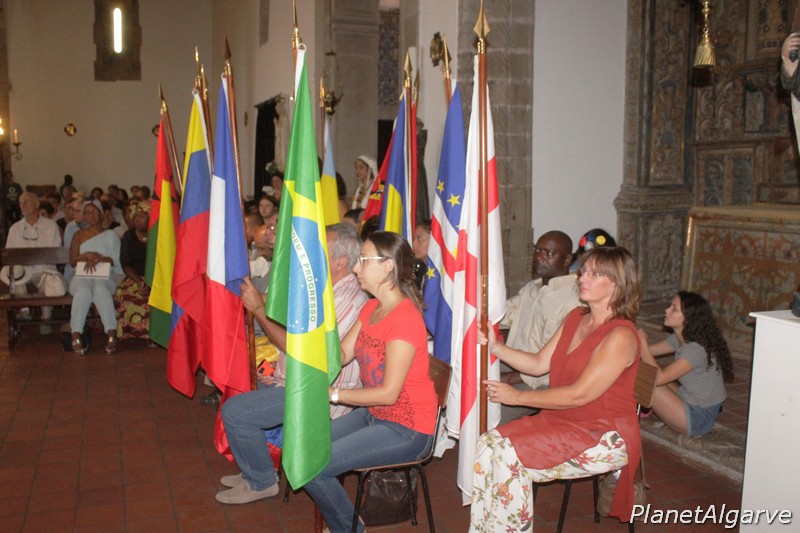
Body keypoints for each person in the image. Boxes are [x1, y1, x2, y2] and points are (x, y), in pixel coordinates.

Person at [470, 246, 642, 530]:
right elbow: (539, 363)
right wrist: (496, 347)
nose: (582, 278)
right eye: (583, 271)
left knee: (508, 455)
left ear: (617, 284)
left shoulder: (621, 335)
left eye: (595, 274)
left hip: (604, 433)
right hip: (564, 419)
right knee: (488, 444)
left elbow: (579, 394)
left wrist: (519, 396)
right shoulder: (576, 317)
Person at [215, 223, 370, 505]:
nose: (311, 253)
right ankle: (255, 469)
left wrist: (259, 310)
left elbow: (306, 354)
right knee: (238, 386)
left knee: (235, 412)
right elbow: (295, 322)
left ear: (340, 261)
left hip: (318, 395)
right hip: (298, 382)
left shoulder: (347, 300)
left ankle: (262, 481)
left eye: (320, 249)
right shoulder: (327, 289)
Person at [302, 231, 437, 533]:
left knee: (315, 466)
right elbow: (343, 354)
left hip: (407, 428)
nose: (355, 267)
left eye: (363, 260)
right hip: (376, 414)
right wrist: (313, 338)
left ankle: (349, 529)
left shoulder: (405, 318)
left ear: (387, 266)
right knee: (309, 448)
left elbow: (389, 394)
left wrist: (334, 394)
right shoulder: (371, 307)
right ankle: (346, 522)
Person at [497, 230, 582, 422]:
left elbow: (554, 361)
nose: (539, 257)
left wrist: (510, 378)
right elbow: (502, 315)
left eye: (549, 253)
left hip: (540, 381)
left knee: (488, 416)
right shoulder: (531, 288)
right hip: (512, 362)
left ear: (567, 259)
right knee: (465, 385)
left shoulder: (573, 300)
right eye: (537, 250)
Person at [638, 291, 734, 437]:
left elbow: (658, 378)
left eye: (674, 309)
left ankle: (640, 406)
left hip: (698, 419)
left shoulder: (695, 350)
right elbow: (647, 353)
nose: (667, 310)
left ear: (688, 317)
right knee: (647, 369)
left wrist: (642, 342)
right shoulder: (681, 337)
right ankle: (649, 404)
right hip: (690, 400)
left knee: (646, 380)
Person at [68, 200, 123, 355]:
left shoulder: (111, 235)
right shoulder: (78, 235)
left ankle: (111, 332)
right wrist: (85, 256)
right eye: (87, 213)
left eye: (93, 212)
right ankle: (75, 333)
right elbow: (72, 260)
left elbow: (115, 260)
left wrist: (99, 258)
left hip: (105, 275)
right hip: (82, 275)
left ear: (101, 214)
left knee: (100, 289)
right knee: (83, 290)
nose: (90, 215)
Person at [4, 192, 63, 334]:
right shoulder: (15, 229)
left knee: (50, 278)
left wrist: (31, 256)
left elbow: (53, 252)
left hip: (43, 270)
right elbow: (10, 255)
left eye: (26, 202)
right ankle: (24, 312)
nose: (22, 206)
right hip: (23, 272)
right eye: (20, 203)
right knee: (15, 274)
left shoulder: (50, 226)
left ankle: (46, 318)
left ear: (36, 205)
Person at [114, 201, 151, 340]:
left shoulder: (159, 235)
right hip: (134, 278)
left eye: (141, 216)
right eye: (135, 216)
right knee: (130, 296)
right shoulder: (128, 236)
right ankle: (132, 332)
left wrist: (151, 282)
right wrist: (139, 281)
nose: (137, 219)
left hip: (155, 279)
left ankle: (154, 335)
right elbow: (126, 263)